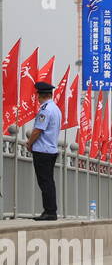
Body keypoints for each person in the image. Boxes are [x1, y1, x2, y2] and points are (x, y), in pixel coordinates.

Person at [27, 80, 61, 221]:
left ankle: (50, 212)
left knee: (45, 182)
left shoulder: (45, 109)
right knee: (48, 181)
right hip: (51, 149)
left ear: (40, 95)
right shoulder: (55, 108)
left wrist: (29, 143)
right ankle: (50, 210)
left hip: (43, 151)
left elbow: (38, 130)